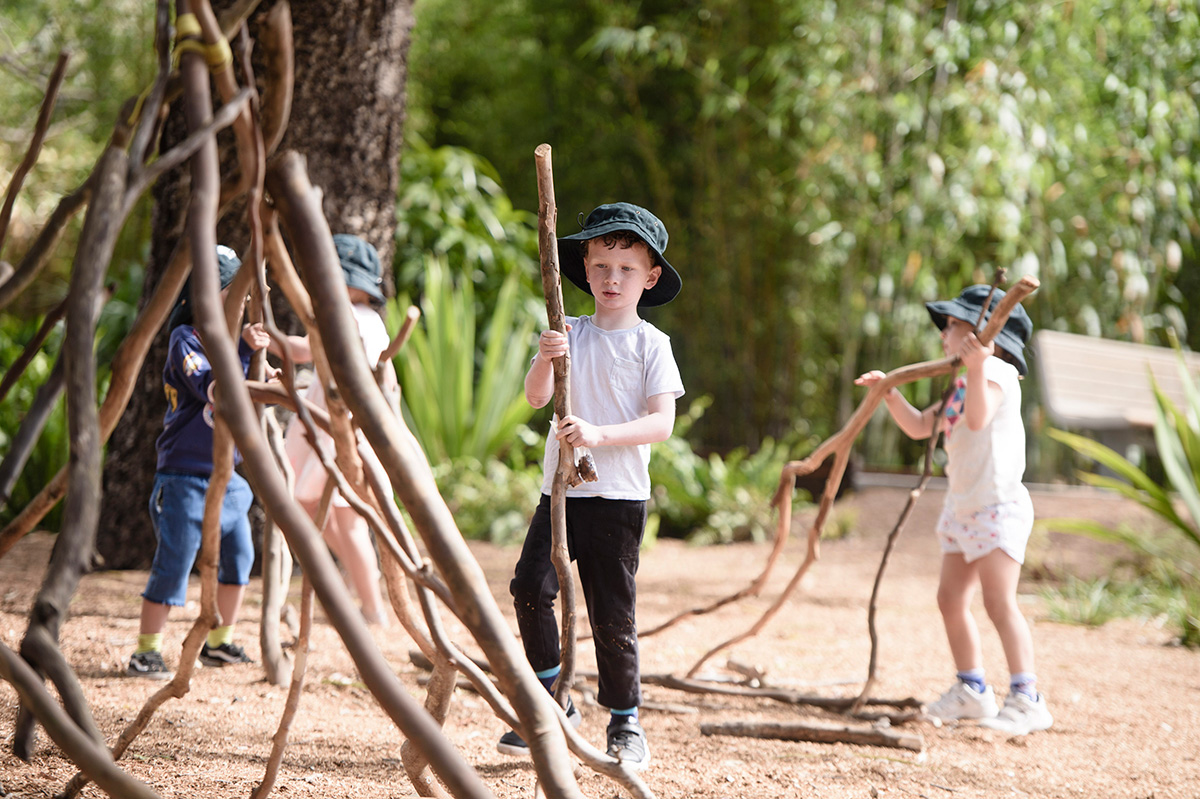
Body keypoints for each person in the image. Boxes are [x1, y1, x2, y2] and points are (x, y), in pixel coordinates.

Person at [497, 202, 685, 771]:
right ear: (584, 268)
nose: (612, 278)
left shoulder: (652, 344)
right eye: (602, 265)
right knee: (531, 586)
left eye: (626, 269)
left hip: (618, 496)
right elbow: (535, 398)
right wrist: (544, 357)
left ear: (649, 278)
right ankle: (554, 697)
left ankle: (625, 721)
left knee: (612, 613)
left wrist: (599, 434)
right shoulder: (569, 332)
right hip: (559, 494)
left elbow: (662, 423)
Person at [855, 284, 1052, 736]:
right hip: (963, 509)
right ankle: (972, 688)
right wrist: (889, 393)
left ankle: (1027, 696)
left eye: (955, 326)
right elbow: (923, 427)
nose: (946, 335)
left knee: (999, 602)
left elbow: (980, 419)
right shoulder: (962, 383)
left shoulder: (997, 375)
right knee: (950, 599)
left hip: (996, 509)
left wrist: (980, 366)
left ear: (988, 336)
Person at [127, 245, 268, 679]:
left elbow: (246, 390)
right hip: (184, 477)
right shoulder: (185, 340)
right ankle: (147, 650)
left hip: (228, 480)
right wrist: (243, 354)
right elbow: (212, 384)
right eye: (235, 294)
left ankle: (219, 641)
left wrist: (265, 377)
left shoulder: (233, 346)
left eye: (246, 298)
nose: (243, 305)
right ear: (206, 297)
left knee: (241, 554)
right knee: (177, 557)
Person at [283, 233, 390, 627]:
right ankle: (360, 583)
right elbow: (309, 351)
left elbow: (306, 351)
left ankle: (373, 605)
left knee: (345, 515)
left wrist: (273, 341)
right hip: (323, 419)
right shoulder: (358, 318)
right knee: (309, 503)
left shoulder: (353, 319)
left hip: (340, 424)